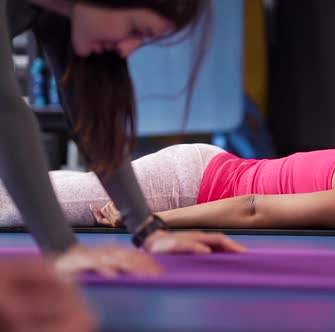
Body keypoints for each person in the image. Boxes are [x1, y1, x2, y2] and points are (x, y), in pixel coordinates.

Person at [1, 0, 246, 278]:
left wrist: (149, 230)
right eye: (135, 29)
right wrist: (62, 249)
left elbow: (92, 114)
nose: (127, 49)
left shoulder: (63, 13)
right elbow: (6, 110)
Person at [0, 143, 335, 230]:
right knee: (24, 203)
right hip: (189, 187)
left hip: (203, 170)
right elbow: (251, 209)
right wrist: (150, 220)